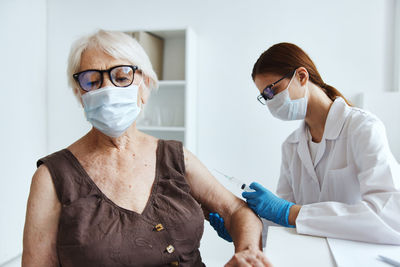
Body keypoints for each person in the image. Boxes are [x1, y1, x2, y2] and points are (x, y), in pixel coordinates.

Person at [22, 30, 272, 267]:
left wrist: (248, 253)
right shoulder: (51, 177)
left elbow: (238, 211)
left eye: (121, 77)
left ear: (145, 86)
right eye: (92, 81)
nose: (108, 90)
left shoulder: (174, 157)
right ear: (79, 94)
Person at [210, 42, 400, 245]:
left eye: (271, 91)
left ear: (301, 76)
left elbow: (390, 214)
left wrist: (290, 211)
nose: (270, 101)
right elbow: (284, 221)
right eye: (264, 97)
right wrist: (244, 228)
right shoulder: (291, 145)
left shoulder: (362, 128)